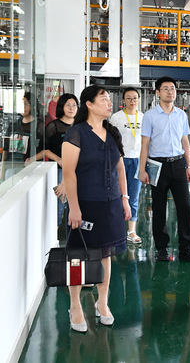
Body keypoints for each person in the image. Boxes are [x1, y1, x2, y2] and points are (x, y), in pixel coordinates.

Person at [62, 85, 131, 332]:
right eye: (104, 99)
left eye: (109, 99)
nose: (109, 103)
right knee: (78, 256)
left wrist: (124, 198)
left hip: (110, 204)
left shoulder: (112, 133)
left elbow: (120, 168)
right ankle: (75, 305)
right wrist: (74, 208)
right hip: (85, 204)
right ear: (89, 105)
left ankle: (102, 303)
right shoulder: (76, 133)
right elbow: (69, 173)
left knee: (105, 254)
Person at [138, 76, 190, 262]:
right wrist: (142, 169)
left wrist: (189, 166)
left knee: (185, 206)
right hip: (157, 165)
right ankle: (162, 248)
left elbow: (185, 141)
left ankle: (185, 249)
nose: (170, 92)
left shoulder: (181, 115)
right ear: (158, 93)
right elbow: (145, 144)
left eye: (172, 88)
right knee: (159, 208)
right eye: (165, 88)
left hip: (178, 164)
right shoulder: (150, 116)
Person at [110, 87, 144, 245]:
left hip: (137, 160)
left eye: (135, 98)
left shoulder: (143, 117)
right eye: (129, 98)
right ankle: (115, 229)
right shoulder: (116, 118)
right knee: (118, 195)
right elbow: (111, 140)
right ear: (123, 100)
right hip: (120, 160)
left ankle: (131, 231)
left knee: (134, 196)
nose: (132, 101)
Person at [41, 93, 78, 226]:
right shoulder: (53, 126)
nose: (71, 108)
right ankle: (55, 231)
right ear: (61, 107)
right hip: (59, 171)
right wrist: (58, 158)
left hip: (79, 170)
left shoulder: (80, 127)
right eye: (68, 105)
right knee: (59, 206)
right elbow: (44, 150)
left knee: (77, 205)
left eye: (74, 105)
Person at [1, 92, 44, 180]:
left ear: (32, 106)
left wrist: (33, 158)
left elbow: (45, 150)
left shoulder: (39, 126)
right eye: (21, 104)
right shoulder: (14, 125)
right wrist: (2, 171)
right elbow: (5, 150)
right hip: (11, 168)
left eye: (25, 104)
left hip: (29, 169)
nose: (23, 107)